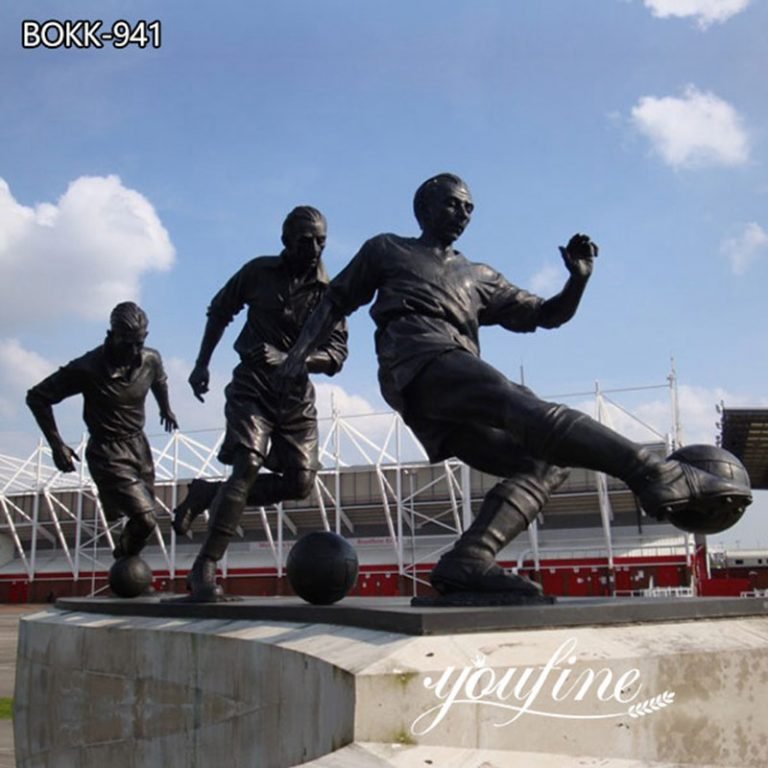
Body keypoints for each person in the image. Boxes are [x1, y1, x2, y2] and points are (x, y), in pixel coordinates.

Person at [278, 173, 752, 598]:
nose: (462, 213)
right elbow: (335, 300)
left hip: (451, 378)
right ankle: (654, 472)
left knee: (543, 464)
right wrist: (297, 358)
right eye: (452, 203)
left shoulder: (478, 276)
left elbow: (546, 315)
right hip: (416, 357)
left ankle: (469, 560)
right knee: (518, 404)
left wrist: (578, 281)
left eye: (469, 207)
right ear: (423, 208)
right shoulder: (387, 249)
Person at [182, 205, 348, 601]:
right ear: (286, 240)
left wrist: (290, 359)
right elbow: (220, 310)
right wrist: (202, 363)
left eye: (321, 240)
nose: (314, 247)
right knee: (248, 463)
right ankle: (204, 565)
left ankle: (208, 495)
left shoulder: (332, 291)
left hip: (295, 395)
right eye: (306, 240)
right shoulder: (258, 272)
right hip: (252, 385)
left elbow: (337, 355)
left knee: (300, 482)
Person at [26, 302, 178, 574]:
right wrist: (57, 444)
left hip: (139, 446)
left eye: (139, 343)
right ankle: (123, 557)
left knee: (147, 520)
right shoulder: (88, 368)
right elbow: (37, 397)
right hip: (107, 452)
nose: (134, 351)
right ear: (112, 335)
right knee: (145, 520)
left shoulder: (150, 358)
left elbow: (159, 380)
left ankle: (125, 564)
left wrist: (165, 407)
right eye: (128, 343)